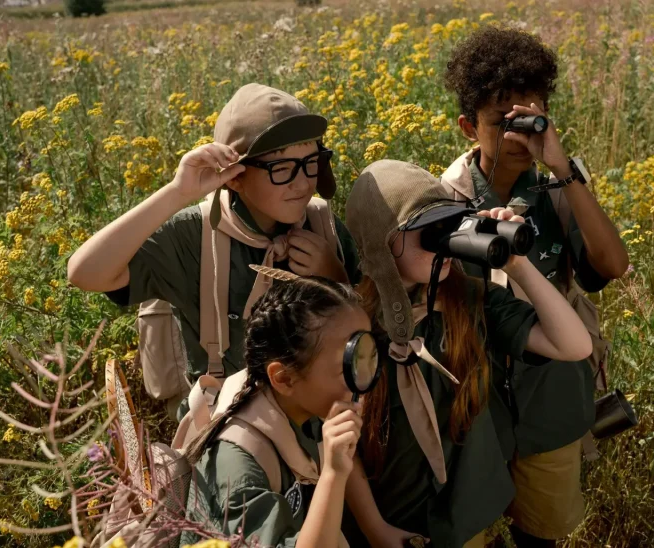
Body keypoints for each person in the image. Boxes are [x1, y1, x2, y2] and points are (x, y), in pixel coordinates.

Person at [441, 26, 630, 546]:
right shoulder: (446, 196)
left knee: (543, 532)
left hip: (551, 392)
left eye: (531, 117)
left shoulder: (558, 187)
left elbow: (611, 265)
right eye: (502, 122)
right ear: (467, 127)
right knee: (470, 526)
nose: (519, 135)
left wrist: (564, 168)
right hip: (475, 400)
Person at [67, 84, 359, 419]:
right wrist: (179, 191)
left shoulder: (323, 225)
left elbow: (371, 329)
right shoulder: (196, 235)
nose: (302, 182)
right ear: (235, 177)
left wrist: (333, 276)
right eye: (281, 169)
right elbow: (84, 273)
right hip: (230, 424)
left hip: (328, 424)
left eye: (310, 163)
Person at [340, 160, 592, 547]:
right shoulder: (350, 324)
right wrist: (375, 527)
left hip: (462, 512)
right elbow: (341, 441)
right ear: (380, 242)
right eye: (426, 229)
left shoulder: (471, 299)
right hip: (390, 515)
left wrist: (518, 266)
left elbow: (574, 345)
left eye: (449, 223)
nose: (442, 236)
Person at [178, 275, 366, 548]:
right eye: (346, 365)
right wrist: (333, 475)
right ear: (284, 378)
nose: (363, 378)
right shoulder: (237, 470)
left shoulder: (299, 407)